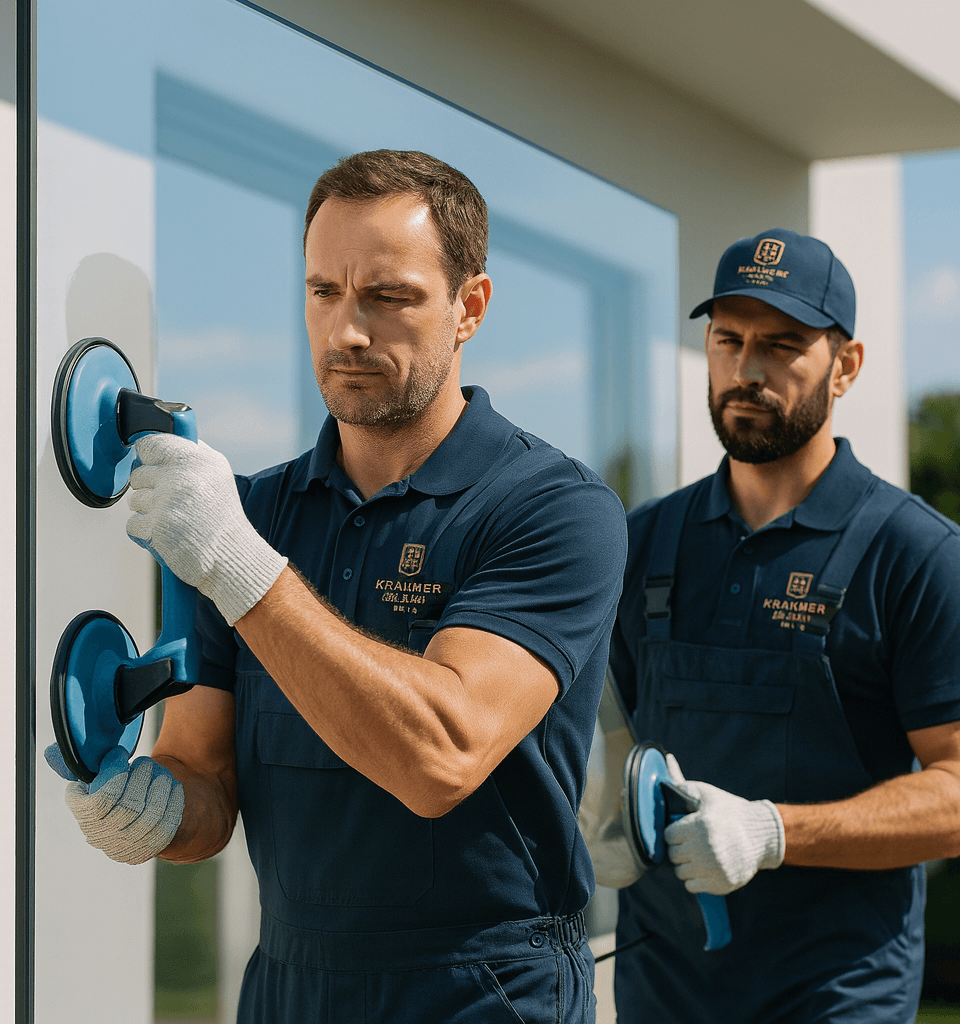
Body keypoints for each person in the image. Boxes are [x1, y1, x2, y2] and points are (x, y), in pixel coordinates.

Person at [50, 149, 626, 1023]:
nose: (347, 330)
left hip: (482, 990)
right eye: (324, 292)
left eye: (388, 297)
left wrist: (239, 567)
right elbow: (203, 775)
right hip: (287, 983)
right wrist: (156, 811)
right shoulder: (252, 513)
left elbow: (441, 754)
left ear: (469, 307)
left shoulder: (555, 510)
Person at [609, 227, 960, 1023]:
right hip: (663, 987)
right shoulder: (642, 541)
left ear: (848, 365)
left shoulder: (915, 555)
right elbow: (597, 740)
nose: (748, 369)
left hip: (836, 992)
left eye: (783, 344)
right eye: (727, 340)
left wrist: (772, 833)